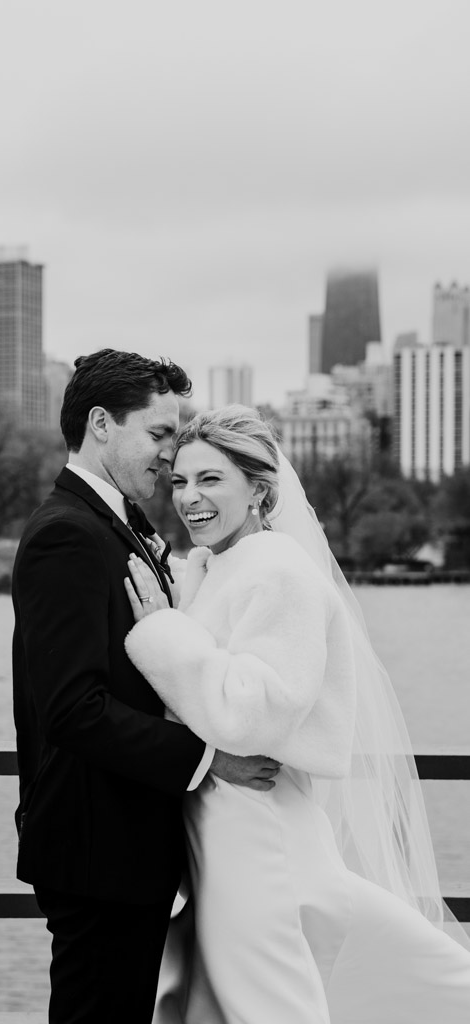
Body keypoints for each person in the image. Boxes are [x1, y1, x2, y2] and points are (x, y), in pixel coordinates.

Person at [124, 404, 470, 1024]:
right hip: (221, 829)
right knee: (216, 1003)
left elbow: (256, 716)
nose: (189, 497)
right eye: (179, 480)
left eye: (211, 480)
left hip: (256, 831)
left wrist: (160, 634)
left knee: (268, 1007)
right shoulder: (218, 567)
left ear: (260, 489)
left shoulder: (281, 572)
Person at [12, 352, 280, 1024]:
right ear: (101, 424)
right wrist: (208, 758)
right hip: (97, 847)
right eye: (159, 434)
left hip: (123, 843)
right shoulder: (66, 537)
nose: (171, 453)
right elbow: (73, 709)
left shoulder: (115, 525)